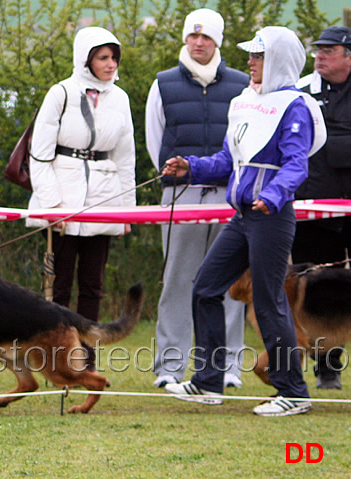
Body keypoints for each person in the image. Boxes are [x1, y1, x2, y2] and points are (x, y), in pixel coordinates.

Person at [163, 26, 326, 416]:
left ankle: (293, 392)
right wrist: (190, 168)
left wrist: (272, 196)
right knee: (205, 287)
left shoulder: (295, 106)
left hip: (271, 217)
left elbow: (295, 165)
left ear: (279, 62)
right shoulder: (244, 101)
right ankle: (208, 382)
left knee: (269, 302)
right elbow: (227, 162)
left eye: (259, 56)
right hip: (243, 215)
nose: (250, 61)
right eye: (251, 55)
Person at [145, 8, 249, 389]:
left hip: (228, 195)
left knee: (230, 281)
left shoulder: (241, 85)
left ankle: (228, 366)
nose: (199, 43)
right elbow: (155, 140)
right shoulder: (164, 84)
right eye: (193, 36)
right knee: (177, 281)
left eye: (206, 37)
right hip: (182, 195)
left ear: (217, 41)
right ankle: (169, 366)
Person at [26, 26, 136, 322]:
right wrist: (51, 204)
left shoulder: (120, 99)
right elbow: (39, 154)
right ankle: (57, 353)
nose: (111, 64)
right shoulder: (60, 93)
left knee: (93, 285)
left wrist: (127, 212)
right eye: (103, 57)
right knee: (58, 285)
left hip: (104, 197)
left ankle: (86, 358)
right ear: (86, 59)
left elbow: (125, 158)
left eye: (114, 57)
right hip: (63, 195)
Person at [293, 26, 351, 390]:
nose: (320, 56)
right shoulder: (301, 91)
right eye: (318, 50)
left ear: (348, 55)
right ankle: (326, 366)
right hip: (313, 208)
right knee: (315, 287)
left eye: (329, 50)